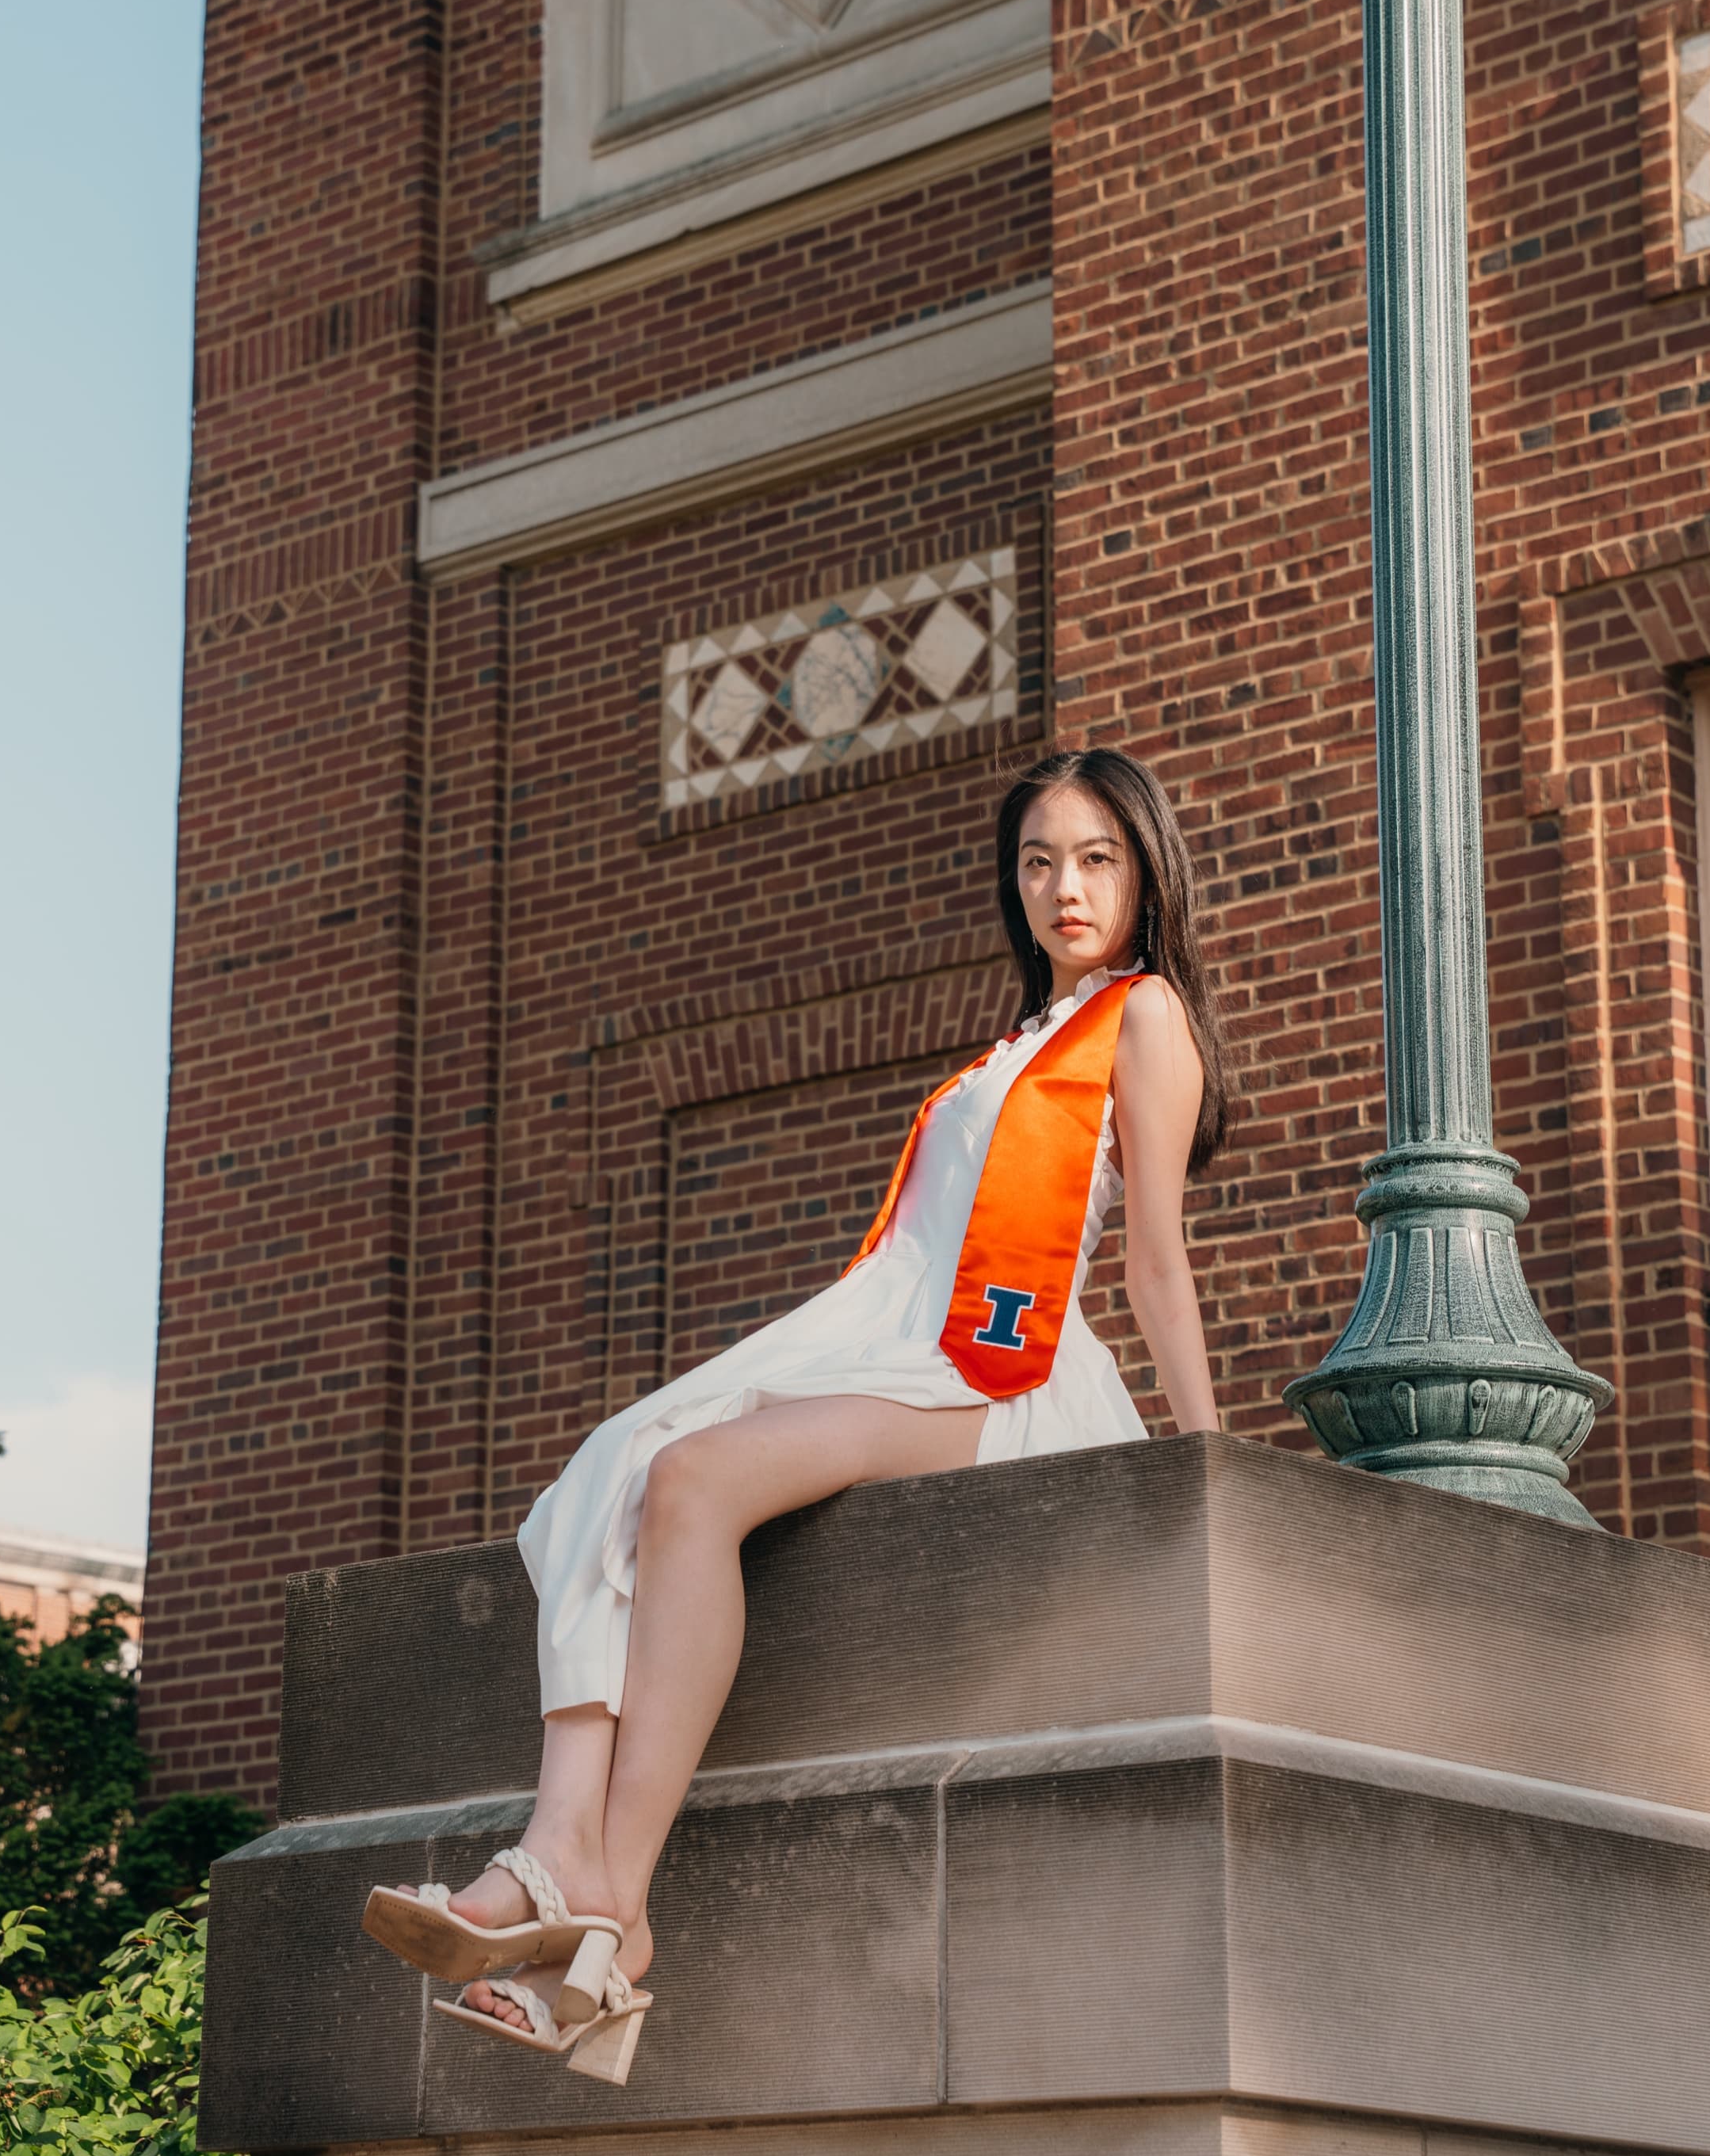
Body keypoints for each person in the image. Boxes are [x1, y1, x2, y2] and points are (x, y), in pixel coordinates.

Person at [361, 746, 1231, 2081]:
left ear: (1145, 869)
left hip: (1002, 1373)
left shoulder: (1145, 1016)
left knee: (696, 1480)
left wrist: (1208, 1455)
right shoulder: (1017, 1044)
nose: (1065, 886)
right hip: (898, 1342)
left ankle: (605, 1908)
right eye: (1039, 859)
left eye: (1098, 858)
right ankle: (564, 1871)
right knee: (626, 1462)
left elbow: (1154, 1259)